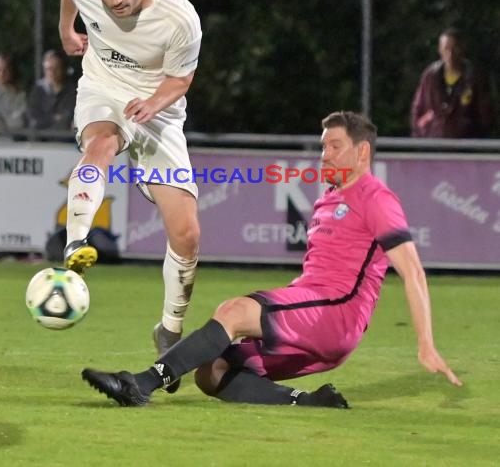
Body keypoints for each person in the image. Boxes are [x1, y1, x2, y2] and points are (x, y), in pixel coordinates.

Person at [82, 111, 462, 408]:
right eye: (323, 145)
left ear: (362, 152)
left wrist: (425, 343)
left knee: (232, 311)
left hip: (334, 314)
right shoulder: (330, 196)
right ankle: (308, 402)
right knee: (211, 373)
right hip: (315, 310)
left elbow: (412, 271)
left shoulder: (376, 198)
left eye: (334, 146)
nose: (324, 154)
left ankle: (140, 384)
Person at [59, 0, 202, 386]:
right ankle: (75, 241)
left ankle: (169, 331)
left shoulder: (178, 18)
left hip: (160, 109)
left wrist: (153, 105)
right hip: (104, 89)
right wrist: (67, 29)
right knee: (100, 144)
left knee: (187, 232)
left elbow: (181, 79)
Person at [410, 28, 492, 138]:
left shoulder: (474, 77)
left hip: (465, 144)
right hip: (433, 142)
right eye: (446, 49)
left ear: (462, 48)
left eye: (455, 48)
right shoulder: (430, 76)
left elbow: (485, 114)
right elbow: (418, 109)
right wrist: (422, 131)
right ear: (440, 50)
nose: (450, 54)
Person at [28, 49, 77, 132]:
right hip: (40, 140)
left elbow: (68, 119)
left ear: (63, 69)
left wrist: (47, 120)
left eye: (56, 68)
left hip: (65, 140)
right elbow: (33, 120)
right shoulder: (37, 90)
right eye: (49, 69)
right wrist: (54, 118)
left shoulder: (72, 91)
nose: (52, 72)